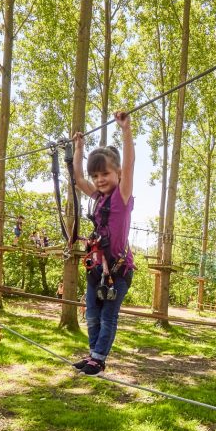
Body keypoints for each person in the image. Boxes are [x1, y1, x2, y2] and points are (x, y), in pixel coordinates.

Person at [71, 111, 134, 375]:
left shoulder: (122, 196)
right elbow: (78, 178)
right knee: (92, 315)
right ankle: (93, 354)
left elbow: (129, 164)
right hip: (96, 268)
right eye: (96, 176)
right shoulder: (97, 197)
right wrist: (79, 148)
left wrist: (126, 131)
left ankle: (99, 357)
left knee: (108, 316)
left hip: (118, 271)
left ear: (117, 173)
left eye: (105, 174)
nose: (99, 180)